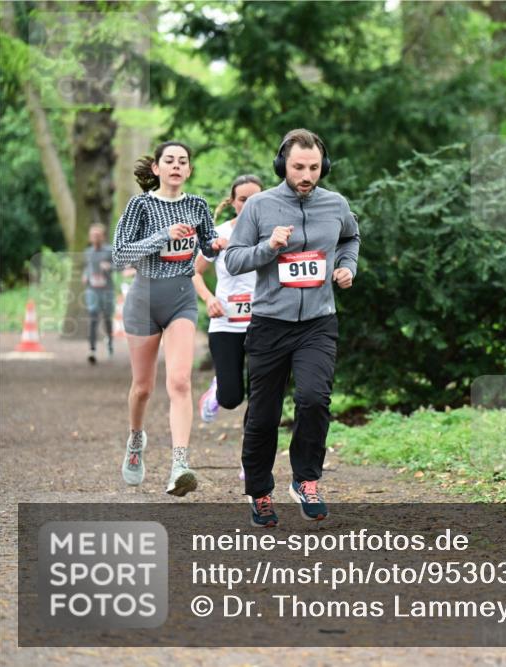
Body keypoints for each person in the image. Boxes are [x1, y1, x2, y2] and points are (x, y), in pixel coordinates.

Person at [226, 128, 360, 528]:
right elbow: (233, 260)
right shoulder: (260, 207)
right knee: (264, 416)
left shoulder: (335, 205)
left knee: (314, 399)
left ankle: (306, 480)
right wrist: (269, 248)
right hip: (269, 324)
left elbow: (351, 238)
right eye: (299, 167)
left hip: (318, 323)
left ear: (324, 167)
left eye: (314, 167)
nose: (307, 174)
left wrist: (346, 266)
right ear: (282, 164)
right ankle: (260, 491)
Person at [112, 141, 223, 496]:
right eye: (169, 161)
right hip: (143, 301)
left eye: (183, 161)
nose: (176, 166)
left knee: (179, 382)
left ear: (189, 170)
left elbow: (207, 246)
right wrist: (162, 236)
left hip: (181, 301)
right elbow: (119, 253)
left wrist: (216, 245)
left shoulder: (197, 206)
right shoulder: (140, 206)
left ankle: (180, 465)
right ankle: (135, 440)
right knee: (143, 388)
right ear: (157, 169)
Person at [192, 174, 264, 482]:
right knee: (234, 397)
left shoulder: (272, 234)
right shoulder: (217, 235)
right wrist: (209, 299)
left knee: (262, 398)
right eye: (243, 199)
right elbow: (194, 273)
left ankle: (251, 462)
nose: (248, 205)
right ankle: (219, 388)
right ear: (233, 202)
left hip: (264, 322)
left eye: (255, 199)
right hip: (226, 323)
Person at [82, 223, 115, 364]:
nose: (95, 237)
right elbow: (87, 267)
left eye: (98, 235)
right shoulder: (87, 252)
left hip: (107, 290)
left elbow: (120, 266)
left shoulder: (109, 251)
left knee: (107, 318)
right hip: (92, 290)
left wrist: (109, 267)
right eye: (93, 235)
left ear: (103, 237)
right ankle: (92, 350)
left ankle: (109, 342)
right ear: (90, 237)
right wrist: (85, 275)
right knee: (93, 317)